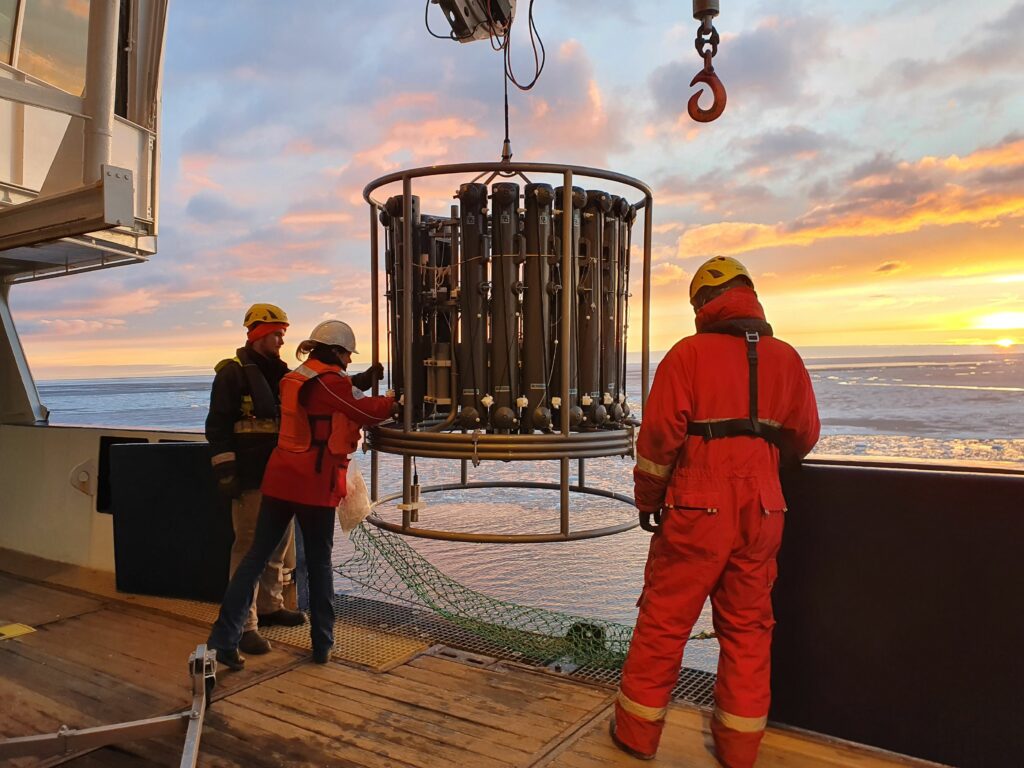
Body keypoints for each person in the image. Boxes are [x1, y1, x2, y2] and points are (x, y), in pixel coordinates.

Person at [611, 256, 820, 767]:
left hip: (697, 505)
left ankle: (637, 736)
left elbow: (657, 443)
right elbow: (806, 436)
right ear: (750, 294)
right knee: (748, 629)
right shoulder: (786, 358)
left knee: (664, 621)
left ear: (703, 304)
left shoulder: (687, 355)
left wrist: (648, 502)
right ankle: (738, 748)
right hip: (765, 508)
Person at [207, 319, 393, 668]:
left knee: (253, 560)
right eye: (347, 356)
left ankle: (223, 639)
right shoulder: (330, 382)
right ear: (336, 352)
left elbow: (331, 392)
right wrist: (397, 399)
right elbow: (368, 411)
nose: (349, 362)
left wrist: (361, 382)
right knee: (321, 566)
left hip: (279, 480)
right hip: (314, 485)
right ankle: (323, 644)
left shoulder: (295, 377)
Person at [206, 303, 305, 657]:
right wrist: (227, 472)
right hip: (250, 477)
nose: (282, 339)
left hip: (284, 474)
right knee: (248, 550)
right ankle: (244, 626)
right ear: (259, 333)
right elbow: (217, 427)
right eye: (278, 333)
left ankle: (269, 606)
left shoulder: (283, 374)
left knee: (277, 545)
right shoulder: (232, 374)